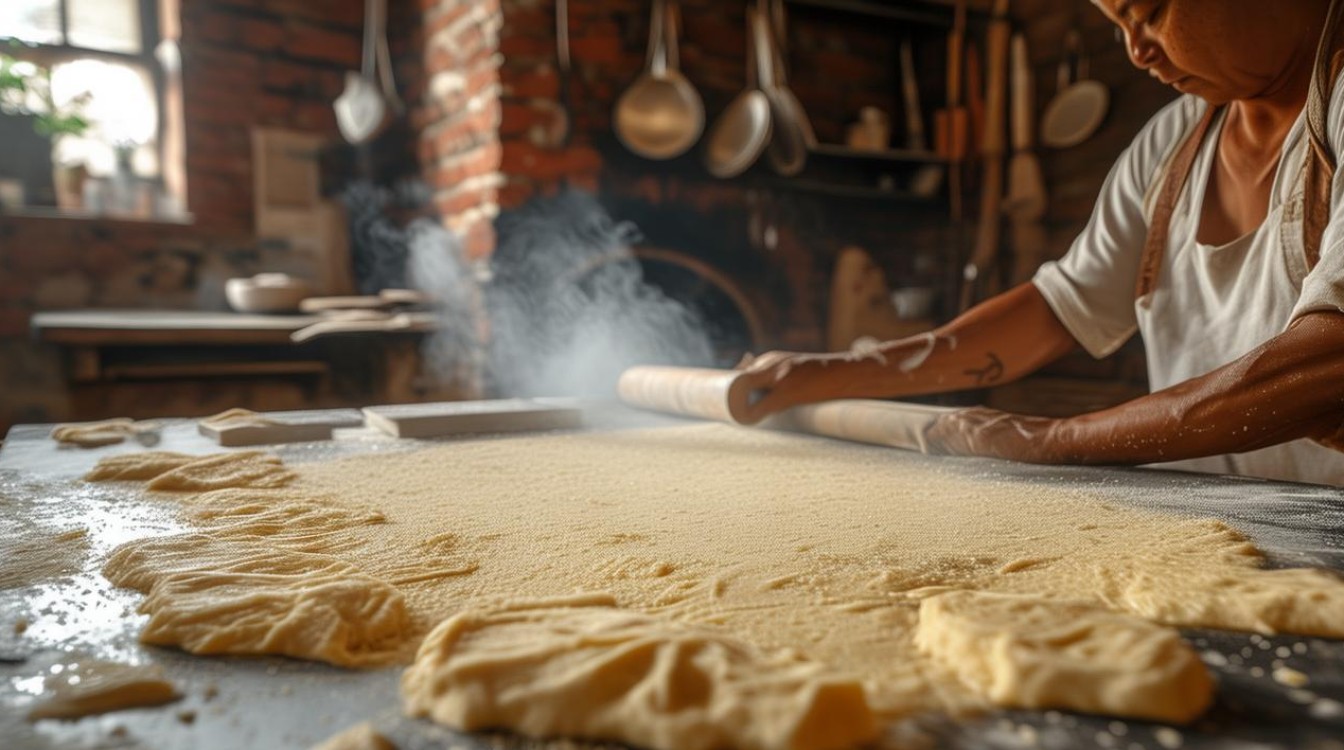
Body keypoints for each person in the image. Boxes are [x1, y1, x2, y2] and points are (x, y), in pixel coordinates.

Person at [737, 0, 1344, 486]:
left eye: (1151, 13)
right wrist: (836, 372)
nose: (1138, 52)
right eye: (1119, 27)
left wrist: (1053, 441)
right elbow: (1058, 310)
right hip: (1224, 522)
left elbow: (1329, 361)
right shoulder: (1172, 143)